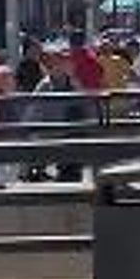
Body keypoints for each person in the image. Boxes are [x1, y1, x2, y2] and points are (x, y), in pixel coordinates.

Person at [28, 50, 84, 182]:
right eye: (57, 64)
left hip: (71, 130)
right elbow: (34, 111)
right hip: (50, 130)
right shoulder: (44, 85)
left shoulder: (73, 82)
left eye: (65, 63)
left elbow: (84, 102)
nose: (61, 67)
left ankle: (69, 170)